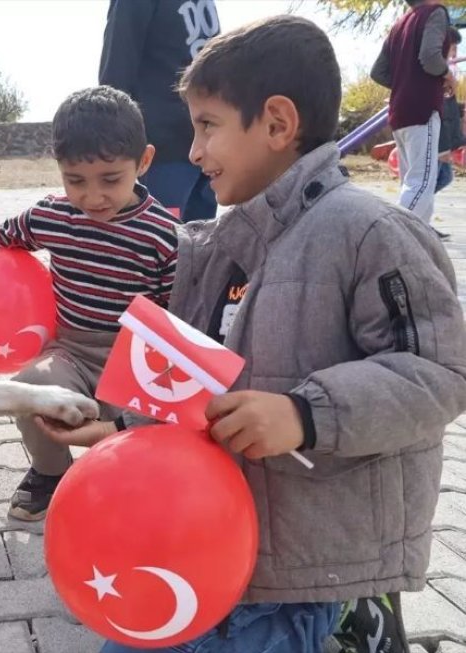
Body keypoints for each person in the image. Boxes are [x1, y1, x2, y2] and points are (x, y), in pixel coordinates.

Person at [39, 15, 466, 653]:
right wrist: (120, 424)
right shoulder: (223, 246)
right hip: (213, 547)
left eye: (207, 126)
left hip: (302, 569)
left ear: (275, 123)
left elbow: (439, 372)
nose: (194, 151)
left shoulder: (370, 232)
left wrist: (304, 412)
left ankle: (354, 622)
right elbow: (192, 379)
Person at [0, 86, 182, 521]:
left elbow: (176, 319)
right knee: (30, 389)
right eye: (75, 180)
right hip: (70, 350)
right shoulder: (52, 216)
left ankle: (124, 475)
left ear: (143, 162)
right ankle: (51, 474)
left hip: (137, 358)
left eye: (111, 179)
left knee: (144, 440)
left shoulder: (163, 235)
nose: (92, 197)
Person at [99, 0, 219, 221]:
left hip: (210, 140)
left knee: (203, 245)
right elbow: (117, 71)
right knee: (163, 241)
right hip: (164, 148)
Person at [371, 0, 454, 238]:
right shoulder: (435, 12)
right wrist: (447, 75)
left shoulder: (400, 23)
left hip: (400, 112)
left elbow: (378, 71)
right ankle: (387, 239)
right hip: (422, 109)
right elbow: (430, 57)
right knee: (421, 183)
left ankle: (420, 240)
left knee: (413, 183)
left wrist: (405, 83)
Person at [435, 28, 464, 204]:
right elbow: (442, 113)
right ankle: (412, 217)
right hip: (440, 141)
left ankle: (418, 217)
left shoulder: (444, 72)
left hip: (444, 140)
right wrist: (443, 149)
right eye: (452, 47)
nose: (454, 52)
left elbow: (451, 110)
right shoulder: (440, 73)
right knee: (437, 179)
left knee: (444, 177)